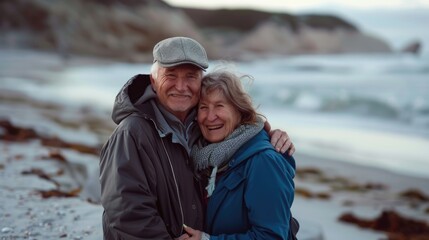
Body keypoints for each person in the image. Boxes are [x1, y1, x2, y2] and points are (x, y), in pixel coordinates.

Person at [99, 36, 295, 239]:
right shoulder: (132, 133)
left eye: (191, 76)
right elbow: (128, 213)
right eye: (171, 75)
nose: (181, 86)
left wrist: (266, 133)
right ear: (153, 80)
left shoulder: (202, 133)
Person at [182, 69, 298, 240]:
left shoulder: (263, 161)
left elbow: (272, 236)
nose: (210, 116)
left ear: (239, 110)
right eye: (203, 107)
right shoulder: (202, 157)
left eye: (219, 106)